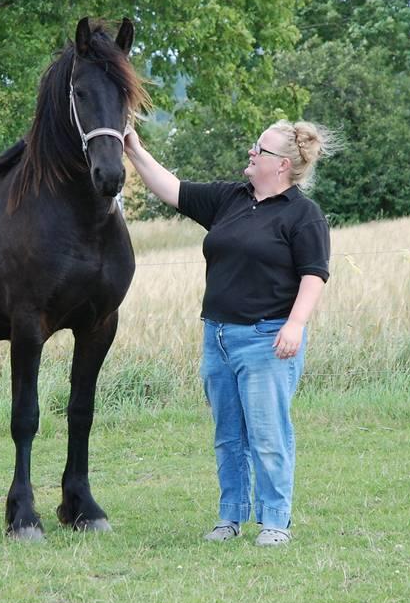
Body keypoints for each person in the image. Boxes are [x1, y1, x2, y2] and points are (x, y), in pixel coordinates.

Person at [124, 120, 337, 546]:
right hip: (218, 338)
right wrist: (132, 147)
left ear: (281, 165)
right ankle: (230, 516)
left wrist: (295, 324)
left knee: (268, 435)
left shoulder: (303, 215)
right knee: (228, 437)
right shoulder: (230, 198)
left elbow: (314, 275)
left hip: (267, 340)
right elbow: (172, 189)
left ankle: (275, 521)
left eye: (260, 149)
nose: (252, 152)